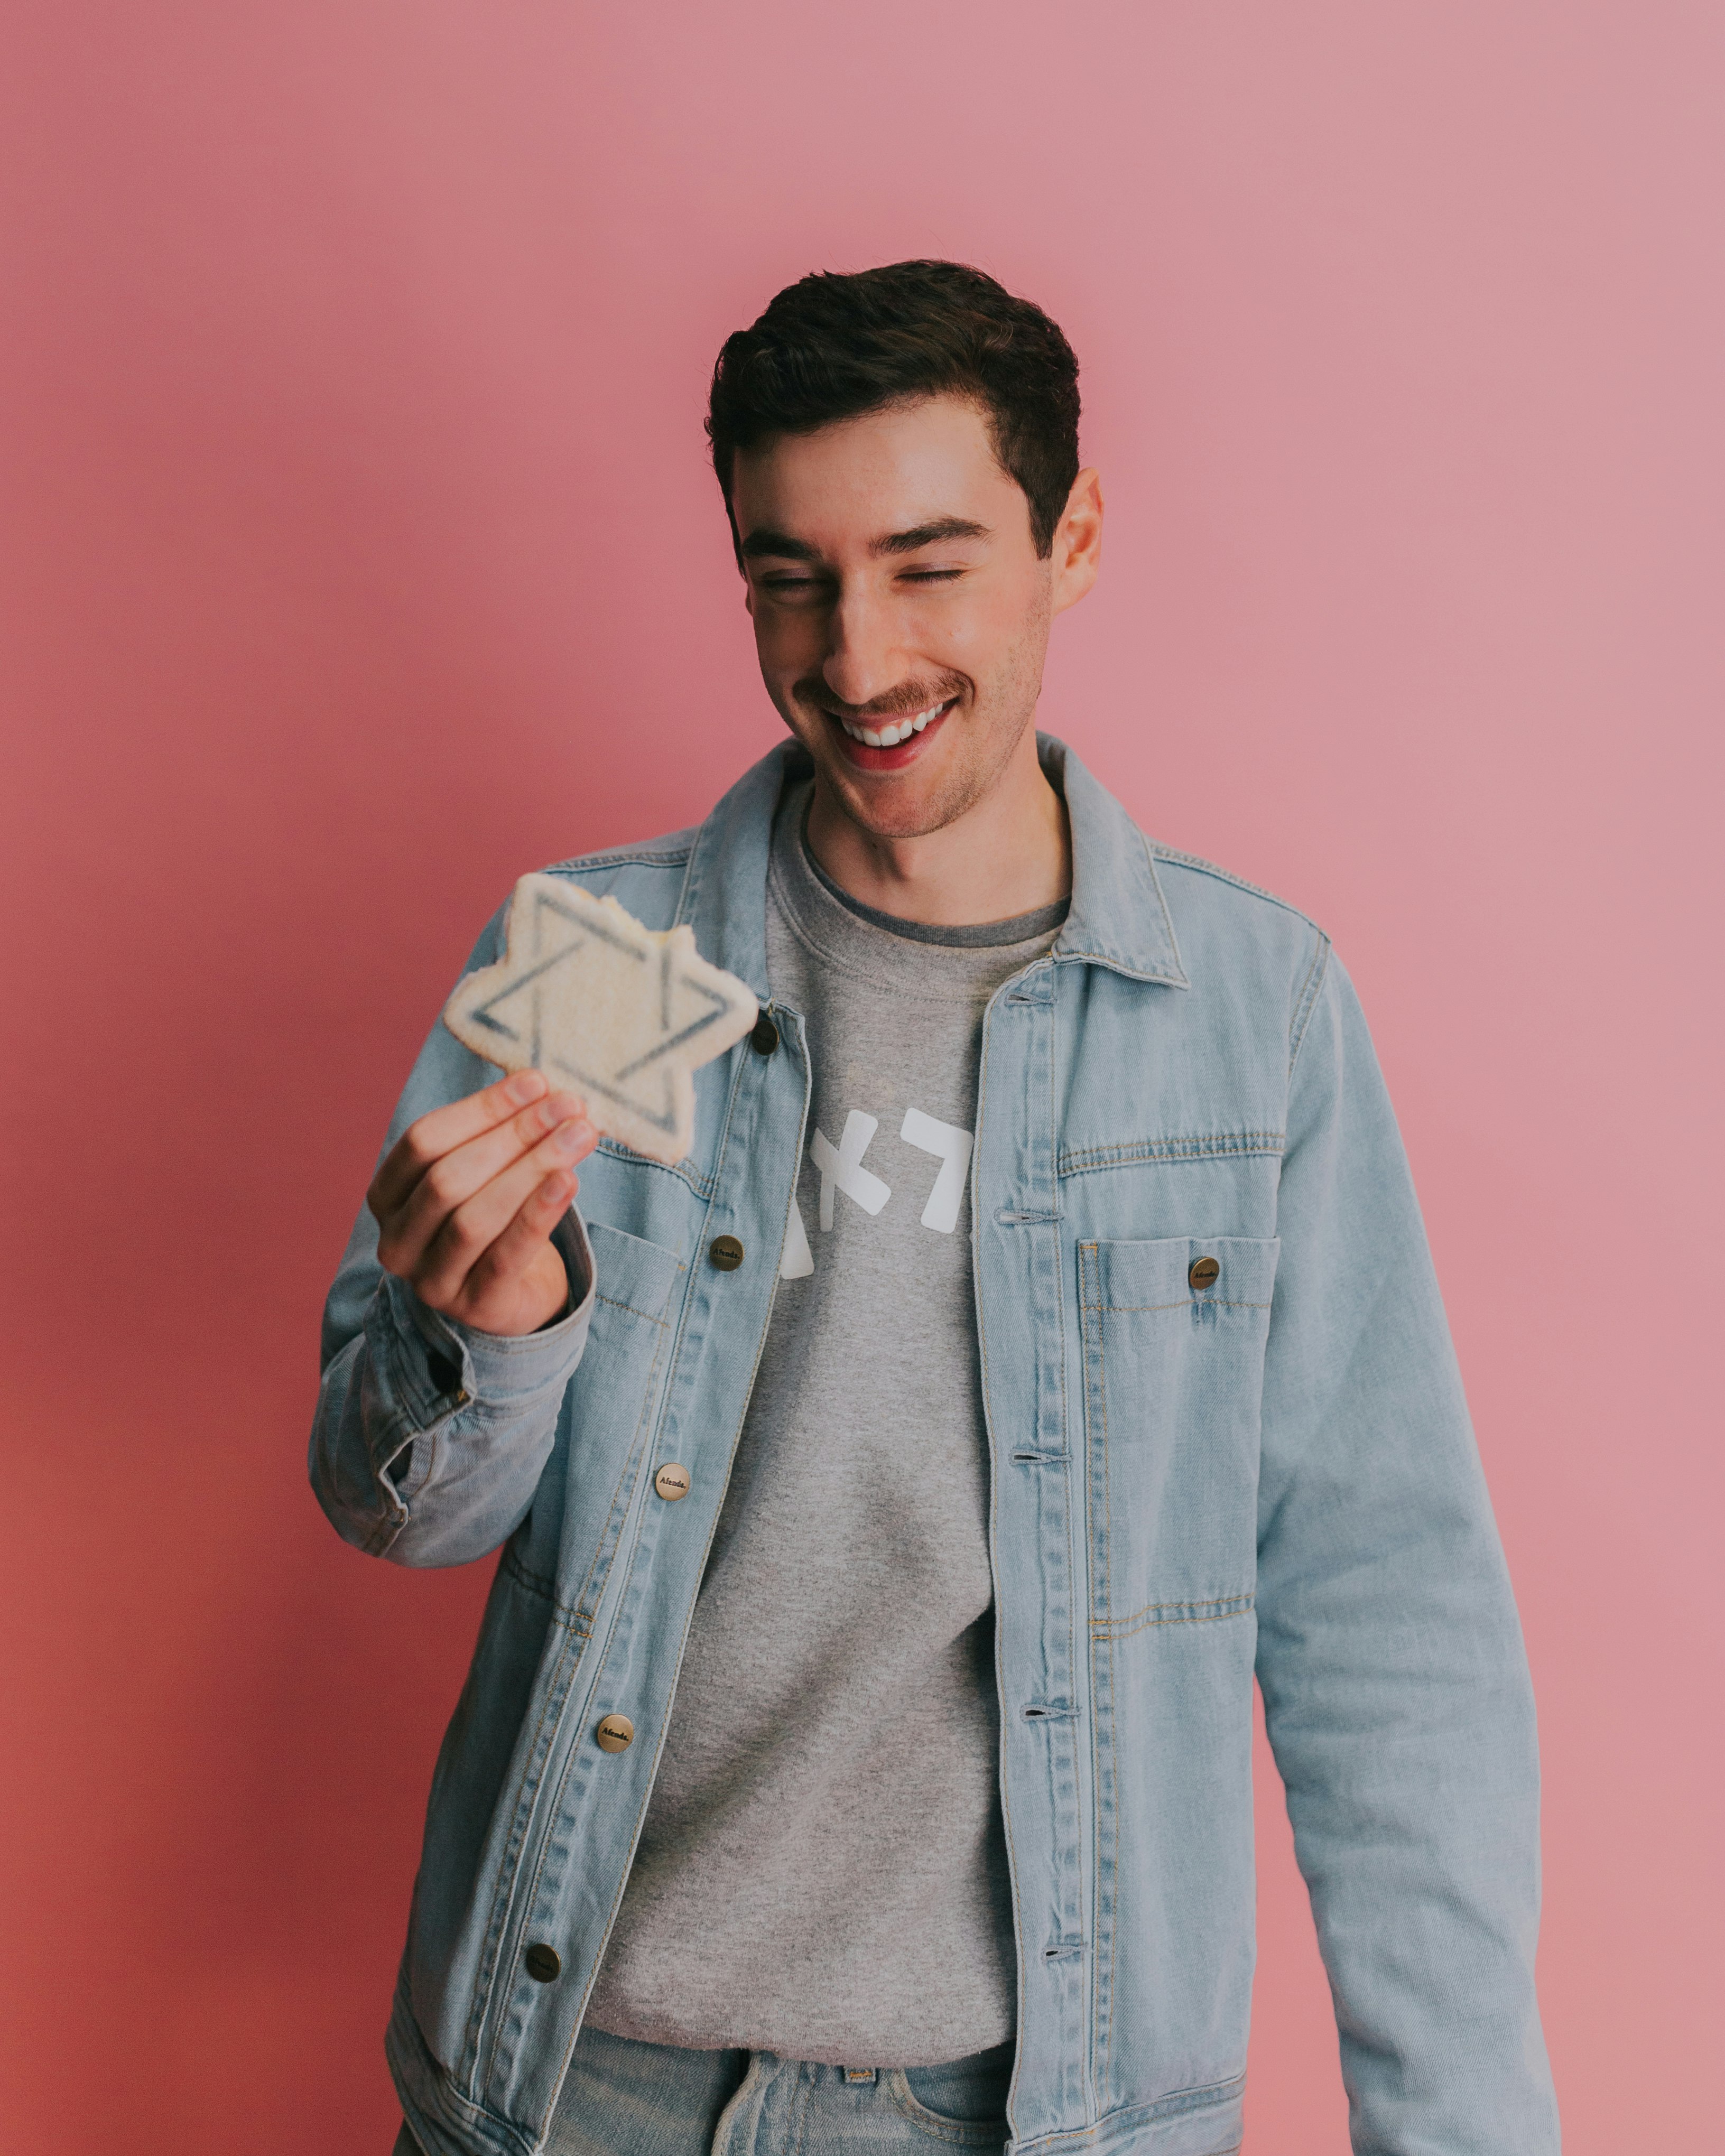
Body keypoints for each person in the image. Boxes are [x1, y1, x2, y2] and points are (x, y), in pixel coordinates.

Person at [311, 260, 1559, 2156]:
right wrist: (478, 1337)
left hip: (1014, 2114)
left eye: (931, 562)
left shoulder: (1252, 1021)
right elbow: (390, 1509)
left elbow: (1392, 1628)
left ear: (1072, 539)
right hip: (577, 2089)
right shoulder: (598, 961)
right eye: (789, 577)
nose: (861, 656)